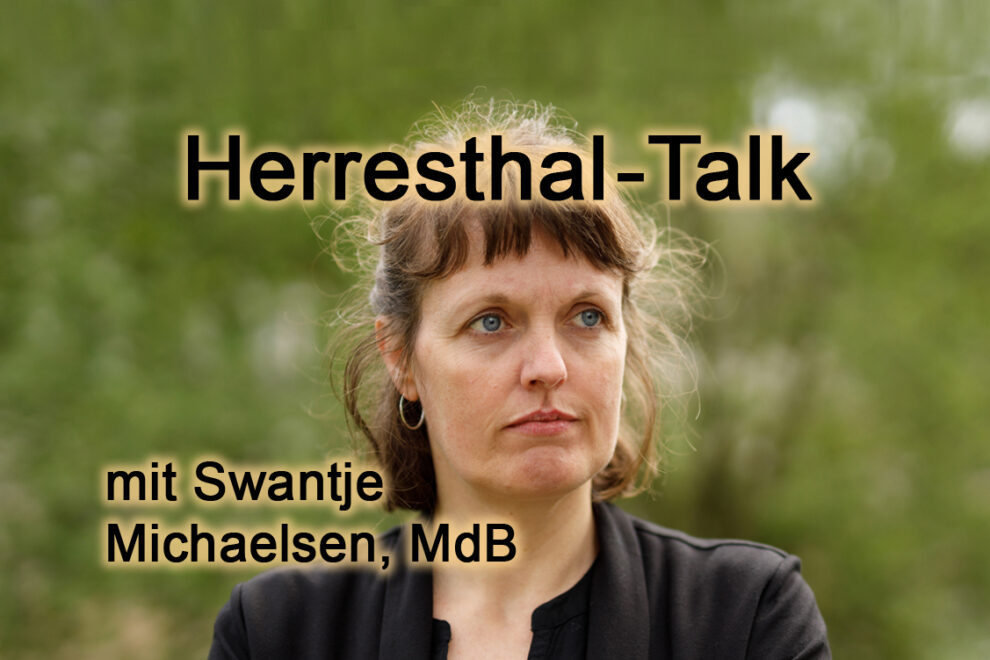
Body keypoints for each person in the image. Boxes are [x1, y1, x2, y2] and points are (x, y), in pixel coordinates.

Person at [208, 100, 830, 659]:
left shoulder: (744, 619)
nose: (549, 368)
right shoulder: (278, 631)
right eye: (491, 322)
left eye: (587, 317)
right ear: (401, 358)